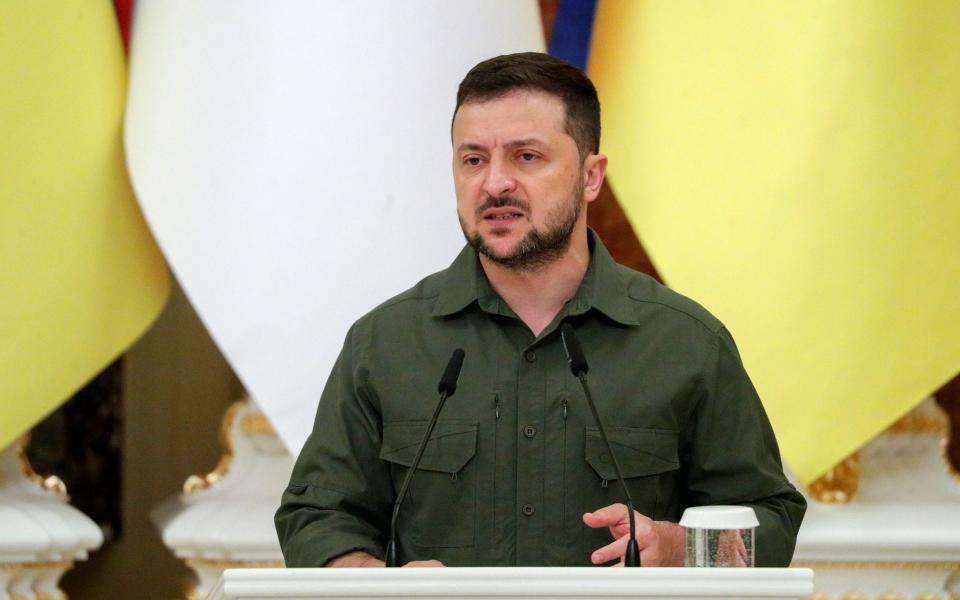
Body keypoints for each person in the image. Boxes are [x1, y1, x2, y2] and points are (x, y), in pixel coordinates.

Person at [275, 52, 806, 568]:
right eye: (473, 159)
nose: (495, 182)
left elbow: (771, 523)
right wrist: (377, 583)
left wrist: (673, 547)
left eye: (526, 156)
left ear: (591, 177)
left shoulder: (686, 341)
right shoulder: (386, 341)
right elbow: (317, 516)